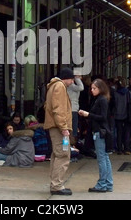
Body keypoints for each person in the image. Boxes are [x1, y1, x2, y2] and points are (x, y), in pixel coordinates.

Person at [78, 78, 113, 193]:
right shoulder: (100, 99)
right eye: (91, 88)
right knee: (105, 157)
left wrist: (88, 114)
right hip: (101, 131)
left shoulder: (101, 100)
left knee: (102, 158)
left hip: (99, 132)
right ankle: (108, 183)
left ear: (100, 88)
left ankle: (102, 183)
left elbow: (103, 117)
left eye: (94, 88)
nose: (92, 90)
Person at [44, 67, 74, 196]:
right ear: (67, 78)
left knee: (57, 155)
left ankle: (56, 184)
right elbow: (59, 109)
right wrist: (64, 128)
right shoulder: (60, 87)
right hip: (58, 128)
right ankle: (57, 185)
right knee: (63, 155)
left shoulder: (53, 86)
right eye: (72, 79)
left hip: (56, 127)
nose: (72, 82)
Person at [112, 77, 131, 155]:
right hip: (127, 115)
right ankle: (126, 148)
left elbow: (113, 105)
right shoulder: (128, 93)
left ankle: (119, 149)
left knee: (119, 132)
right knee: (127, 132)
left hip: (117, 115)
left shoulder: (115, 93)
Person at [67, 75, 84, 143]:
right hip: (72, 109)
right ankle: (72, 142)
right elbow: (81, 87)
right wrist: (77, 78)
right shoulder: (71, 86)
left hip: (72, 108)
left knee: (73, 127)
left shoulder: (71, 86)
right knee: (73, 128)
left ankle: (72, 142)